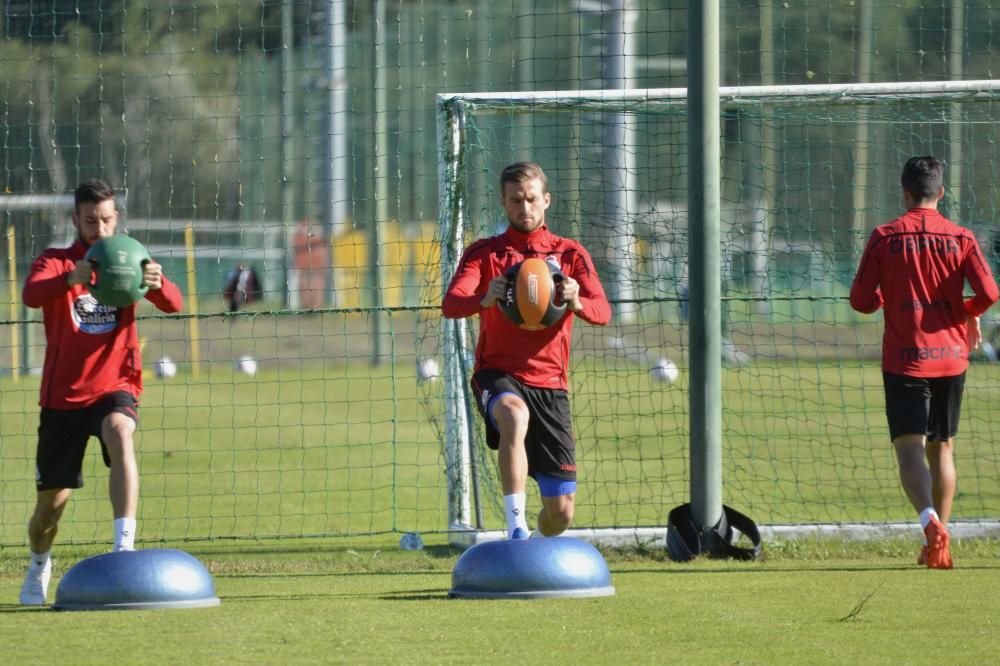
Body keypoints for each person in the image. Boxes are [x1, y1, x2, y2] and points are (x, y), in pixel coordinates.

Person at [19, 179, 184, 605]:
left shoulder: (130, 258)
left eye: (107, 219)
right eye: (90, 220)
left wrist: (157, 279)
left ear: (116, 219)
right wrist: (69, 279)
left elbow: (175, 303)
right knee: (50, 509)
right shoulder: (56, 261)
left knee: (120, 432)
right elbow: (31, 295)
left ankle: (123, 548)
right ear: (75, 220)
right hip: (63, 398)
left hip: (116, 386)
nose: (99, 228)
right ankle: (39, 563)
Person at [442, 162, 611, 540]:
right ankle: (515, 528)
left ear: (546, 200)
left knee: (561, 514)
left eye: (532, 199)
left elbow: (603, 311)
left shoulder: (571, 254)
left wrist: (577, 301)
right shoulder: (485, 254)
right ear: (503, 202)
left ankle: (533, 538)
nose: (525, 207)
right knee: (513, 416)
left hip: (551, 384)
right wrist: (484, 297)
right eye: (516, 200)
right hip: (498, 374)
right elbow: (452, 304)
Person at [850, 156, 999, 569]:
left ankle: (928, 521)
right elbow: (989, 291)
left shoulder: (884, 237)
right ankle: (940, 539)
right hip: (952, 358)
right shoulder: (961, 237)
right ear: (941, 192)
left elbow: (861, 301)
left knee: (909, 451)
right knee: (943, 449)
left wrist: (885, 299)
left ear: (905, 193)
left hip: (904, 360)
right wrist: (966, 311)